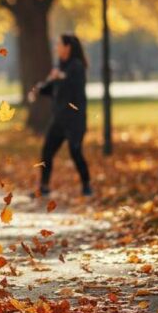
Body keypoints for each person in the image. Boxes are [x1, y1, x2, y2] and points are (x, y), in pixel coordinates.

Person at [28, 33, 92, 198]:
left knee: (75, 152)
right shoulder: (61, 65)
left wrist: (60, 76)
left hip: (75, 120)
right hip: (59, 119)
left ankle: (87, 185)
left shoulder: (76, 66)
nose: (56, 47)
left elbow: (74, 85)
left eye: (59, 44)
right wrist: (39, 89)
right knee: (47, 151)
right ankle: (44, 187)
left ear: (67, 47)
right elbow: (54, 89)